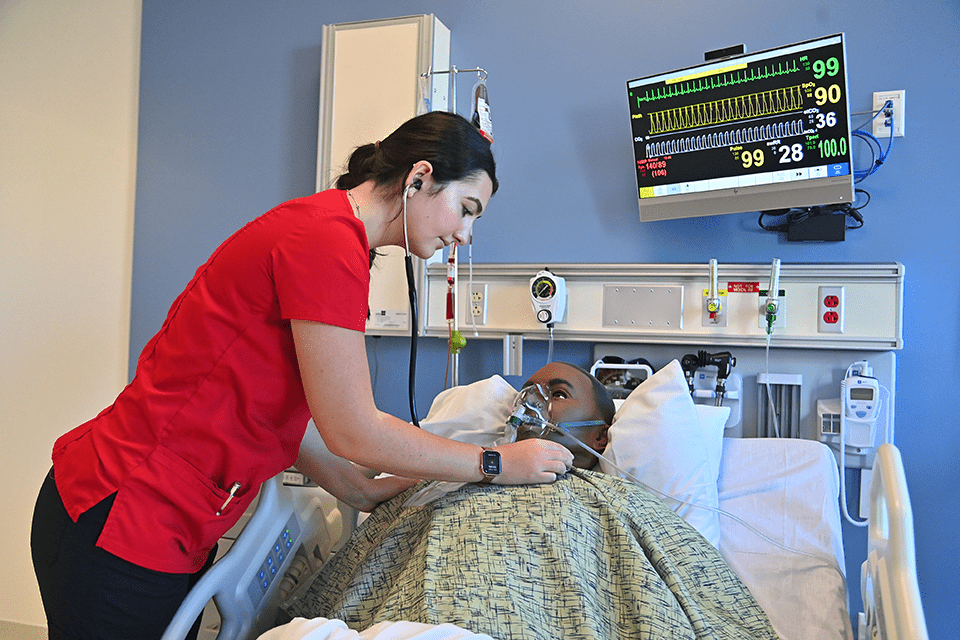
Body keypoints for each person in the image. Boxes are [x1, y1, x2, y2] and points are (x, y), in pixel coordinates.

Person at [30, 111, 574, 640]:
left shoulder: (338, 238)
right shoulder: (325, 242)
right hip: (123, 511)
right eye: (466, 209)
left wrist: (359, 488)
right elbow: (353, 429)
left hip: (169, 521)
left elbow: (289, 407)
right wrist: (494, 463)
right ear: (420, 178)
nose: (466, 234)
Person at [514, 361, 615, 470]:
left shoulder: (619, 481)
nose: (529, 401)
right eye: (526, 393)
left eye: (558, 395)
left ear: (600, 437)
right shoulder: (502, 467)